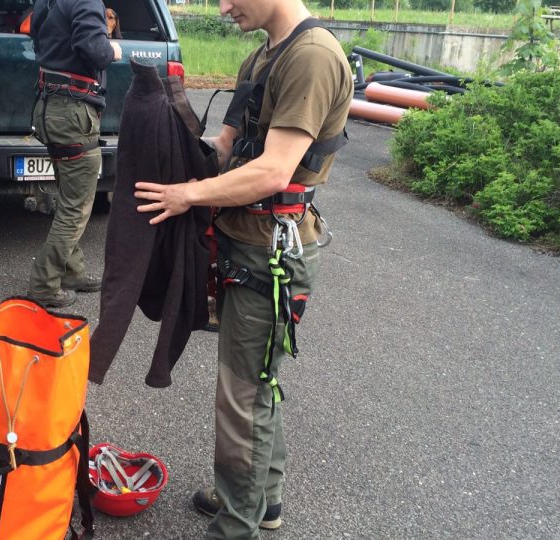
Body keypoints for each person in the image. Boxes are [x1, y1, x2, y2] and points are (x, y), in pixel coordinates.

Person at [133, 0, 353, 536]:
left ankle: (237, 524)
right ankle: (261, 501)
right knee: (254, 386)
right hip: (242, 244)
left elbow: (274, 171)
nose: (223, 6)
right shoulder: (263, 56)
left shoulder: (312, 57)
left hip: (270, 256)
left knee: (242, 398)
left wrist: (189, 194)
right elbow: (230, 146)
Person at [27, 0, 123, 308]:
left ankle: (72, 271)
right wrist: (113, 51)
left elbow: (37, 35)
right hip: (72, 111)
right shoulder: (85, 1)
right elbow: (94, 48)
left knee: (70, 196)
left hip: (49, 105)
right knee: (77, 205)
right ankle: (44, 283)